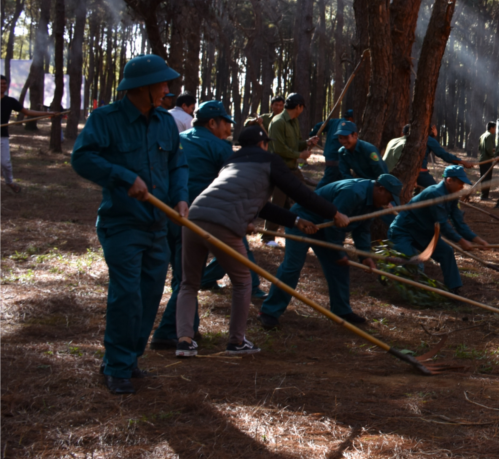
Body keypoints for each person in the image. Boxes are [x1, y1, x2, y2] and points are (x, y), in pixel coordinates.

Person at [174, 125, 347, 357]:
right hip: (223, 223)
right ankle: (236, 341)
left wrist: (295, 220)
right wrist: (334, 213)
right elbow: (300, 193)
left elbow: (255, 202)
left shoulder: (231, 162)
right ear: (263, 144)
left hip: (194, 217)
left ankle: (184, 341)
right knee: (243, 282)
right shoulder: (269, 160)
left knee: (189, 283)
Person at [71, 54, 188, 395]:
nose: (168, 89)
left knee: (150, 294)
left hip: (158, 225)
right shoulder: (105, 119)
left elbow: (177, 164)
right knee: (127, 296)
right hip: (122, 224)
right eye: (163, 84)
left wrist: (181, 198)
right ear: (143, 87)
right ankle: (117, 365)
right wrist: (123, 177)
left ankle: (130, 360)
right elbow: (82, 158)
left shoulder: (165, 122)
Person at [150, 100, 252, 349]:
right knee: (188, 279)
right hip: (199, 218)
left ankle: (187, 327)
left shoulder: (178, 138)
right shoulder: (219, 148)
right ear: (212, 123)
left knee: (183, 274)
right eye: (226, 122)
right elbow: (234, 186)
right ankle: (168, 332)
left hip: (168, 212)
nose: (229, 128)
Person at [259, 173, 400, 329]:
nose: (389, 202)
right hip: (303, 221)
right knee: (292, 266)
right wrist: (337, 253)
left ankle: (341, 311)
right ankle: (269, 312)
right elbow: (333, 222)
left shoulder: (372, 201)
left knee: (339, 267)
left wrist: (363, 255)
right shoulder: (353, 193)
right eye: (389, 197)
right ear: (380, 189)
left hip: (325, 227)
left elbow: (362, 229)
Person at [389, 165, 489, 294]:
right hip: (404, 231)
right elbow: (442, 224)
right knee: (408, 261)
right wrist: (461, 241)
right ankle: (395, 287)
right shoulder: (435, 194)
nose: (462, 187)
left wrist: (477, 240)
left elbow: (458, 222)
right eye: (460, 183)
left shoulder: (452, 195)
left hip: (424, 232)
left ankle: (453, 289)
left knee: (446, 252)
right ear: (449, 180)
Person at [263, 93, 318, 243]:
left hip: (293, 169)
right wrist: (300, 154)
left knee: (306, 196)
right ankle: (268, 237)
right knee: (278, 203)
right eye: (302, 107)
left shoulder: (294, 122)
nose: (302, 110)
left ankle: (308, 229)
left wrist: (307, 142)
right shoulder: (278, 122)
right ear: (299, 106)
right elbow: (280, 149)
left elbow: (296, 144)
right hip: (279, 170)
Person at [0, 74, 56, 194]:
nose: (2, 86)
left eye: (4, 83)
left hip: (2, 137)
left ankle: (10, 182)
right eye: (0, 84)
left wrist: (48, 113)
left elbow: (27, 112)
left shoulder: (10, 101)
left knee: (5, 163)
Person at [312, 108, 354, 187]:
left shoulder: (333, 121)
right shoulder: (346, 125)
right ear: (350, 118)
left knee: (339, 179)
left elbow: (318, 126)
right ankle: (314, 196)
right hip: (335, 158)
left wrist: (312, 134)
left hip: (330, 155)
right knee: (328, 179)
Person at [477, 121, 498, 199]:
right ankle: (484, 196)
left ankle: (483, 194)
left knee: (483, 177)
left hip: (482, 159)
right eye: (495, 128)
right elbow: (488, 149)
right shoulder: (489, 135)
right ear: (491, 128)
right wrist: (494, 156)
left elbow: (480, 148)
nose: (495, 130)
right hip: (487, 160)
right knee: (487, 178)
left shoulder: (482, 135)